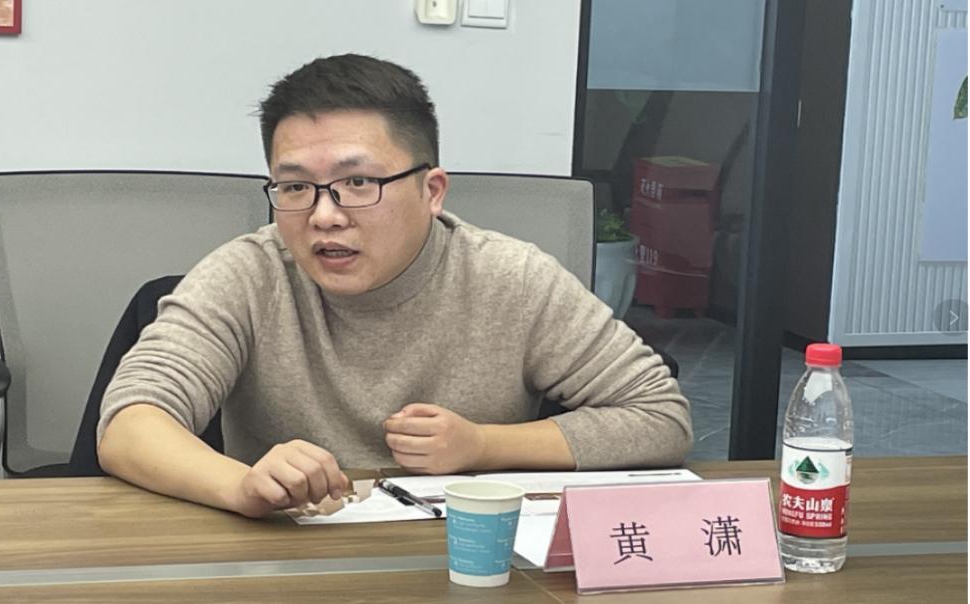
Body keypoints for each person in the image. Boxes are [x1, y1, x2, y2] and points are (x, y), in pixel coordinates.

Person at [97, 54, 692, 519]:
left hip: (461, 553)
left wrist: (483, 446)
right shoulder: (248, 274)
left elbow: (660, 417)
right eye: (296, 187)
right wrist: (243, 486)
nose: (324, 215)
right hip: (287, 550)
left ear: (432, 191)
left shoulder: (511, 278)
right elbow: (130, 423)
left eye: (358, 182)